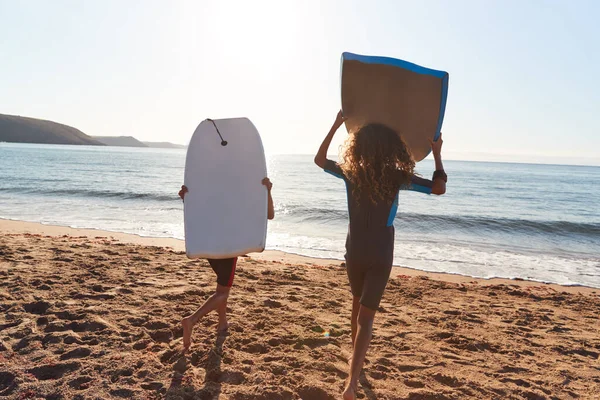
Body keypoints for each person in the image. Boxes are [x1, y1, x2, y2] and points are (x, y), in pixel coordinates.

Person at [314, 111, 447, 399]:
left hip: (355, 250)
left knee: (356, 305)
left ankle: (355, 362)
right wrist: (436, 154)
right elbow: (439, 188)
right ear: (391, 148)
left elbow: (320, 160)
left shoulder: (352, 173)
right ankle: (351, 384)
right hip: (380, 253)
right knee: (366, 318)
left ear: (358, 146)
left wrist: (336, 125)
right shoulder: (396, 176)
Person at [178, 177, 275, 351]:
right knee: (223, 293)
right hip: (228, 250)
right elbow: (269, 215)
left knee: (221, 288)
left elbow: (198, 213)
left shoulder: (217, 194)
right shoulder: (244, 198)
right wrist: (267, 192)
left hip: (207, 245)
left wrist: (187, 198)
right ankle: (191, 320)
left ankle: (222, 323)